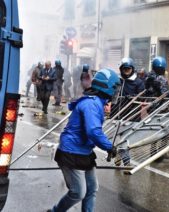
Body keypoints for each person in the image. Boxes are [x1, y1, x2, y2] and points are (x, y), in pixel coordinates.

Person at [49, 68, 120, 212]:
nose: (116, 92)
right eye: (114, 88)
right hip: (71, 152)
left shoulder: (96, 102)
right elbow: (93, 131)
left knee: (92, 188)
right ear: (105, 87)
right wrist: (109, 146)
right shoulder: (91, 104)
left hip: (83, 151)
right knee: (78, 192)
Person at [117, 57, 144, 166]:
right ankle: (126, 162)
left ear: (132, 69)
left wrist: (132, 97)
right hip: (118, 114)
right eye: (124, 69)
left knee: (126, 140)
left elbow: (142, 96)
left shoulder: (138, 82)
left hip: (132, 115)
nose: (126, 71)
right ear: (121, 69)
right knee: (123, 139)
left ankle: (120, 154)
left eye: (128, 69)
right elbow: (113, 94)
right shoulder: (118, 80)